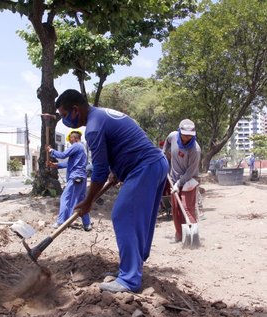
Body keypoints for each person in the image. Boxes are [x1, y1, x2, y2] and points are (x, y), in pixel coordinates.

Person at [54, 89, 169, 293]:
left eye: (64, 115)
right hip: (155, 164)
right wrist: (117, 171)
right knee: (138, 220)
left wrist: (88, 201)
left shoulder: (93, 128)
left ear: (75, 110)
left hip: (144, 167)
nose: (64, 121)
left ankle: (130, 279)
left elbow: (98, 172)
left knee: (122, 215)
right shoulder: (101, 115)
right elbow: (121, 145)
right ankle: (132, 268)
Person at [163, 119, 201, 242]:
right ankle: (179, 235)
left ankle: (192, 240)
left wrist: (179, 184)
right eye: (185, 135)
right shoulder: (173, 136)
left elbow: (190, 171)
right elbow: (167, 142)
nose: (187, 138)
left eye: (190, 136)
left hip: (190, 181)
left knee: (187, 208)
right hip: (174, 178)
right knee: (176, 209)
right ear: (179, 131)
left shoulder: (195, 150)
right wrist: (163, 154)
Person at [46, 129, 92, 232]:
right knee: (81, 201)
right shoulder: (82, 148)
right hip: (81, 177)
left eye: (70, 140)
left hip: (75, 177)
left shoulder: (76, 145)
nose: (70, 142)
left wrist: (51, 151)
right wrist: (56, 165)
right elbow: (69, 163)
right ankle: (87, 224)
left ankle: (61, 222)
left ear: (74, 138)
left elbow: (62, 155)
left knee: (64, 198)